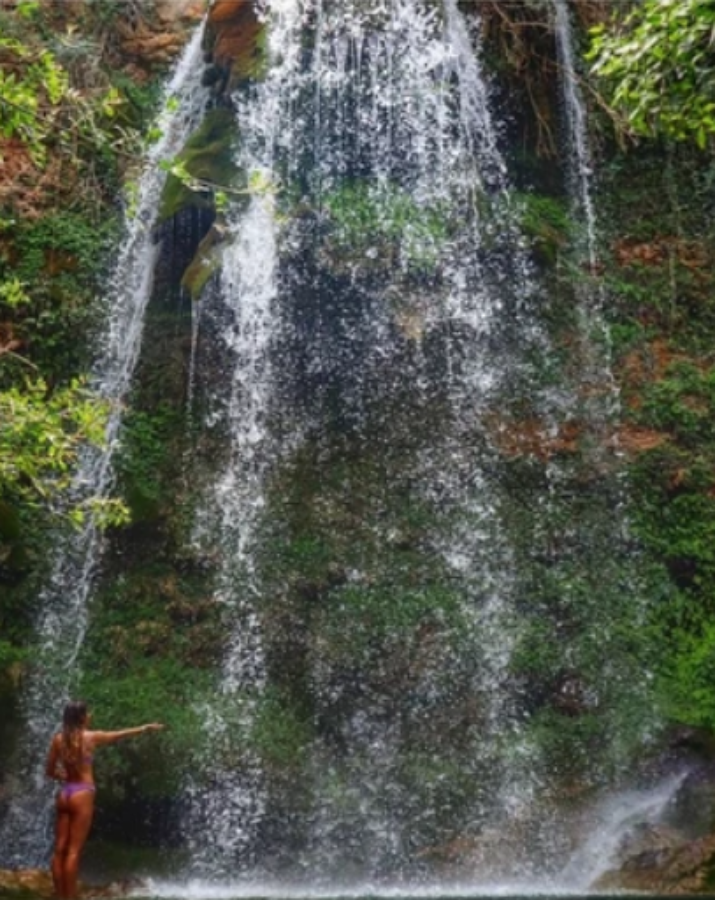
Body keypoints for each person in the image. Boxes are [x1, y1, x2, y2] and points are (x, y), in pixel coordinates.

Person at [45, 700, 164, 900]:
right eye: (87, 713)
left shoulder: (58, 739)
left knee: (59, 850)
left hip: (65, 794)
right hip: (82, 793)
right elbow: (120, 734)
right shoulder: (91, 737)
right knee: (73, 851)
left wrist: (66, 778)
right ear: (82, 717)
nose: (90, 715)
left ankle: (60, 895)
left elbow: (49, 771)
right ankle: (70, 897)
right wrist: (145, 728)